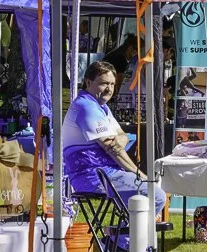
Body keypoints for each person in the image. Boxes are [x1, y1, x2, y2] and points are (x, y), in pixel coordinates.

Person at [62, 61, 165, 212]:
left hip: (104, 173)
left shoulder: (100, 106)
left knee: (145, 197)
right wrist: (141, 175)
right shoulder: (86, 107)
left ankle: (119, 233)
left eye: (112, 84)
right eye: (104, 84)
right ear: (88, 82)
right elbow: (114, 149)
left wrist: (118, 140)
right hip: (94, 176)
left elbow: (121, 136)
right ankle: (127, 235)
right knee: (156, 195)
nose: (109, 89)